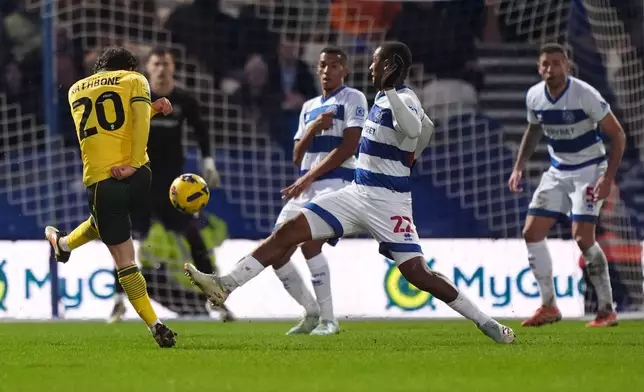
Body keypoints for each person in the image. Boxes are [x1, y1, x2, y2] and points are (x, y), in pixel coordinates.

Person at [184, 41, 516, 344]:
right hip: (355, 193)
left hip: (389, 203)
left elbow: (417, 128)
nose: (370, 69)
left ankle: (487, 323)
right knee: (289, 231)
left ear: (390, 65)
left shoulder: (404, 97)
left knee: (419, 275)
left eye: (375, 63)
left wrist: (408, 140)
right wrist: (413, 153)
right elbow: (426, 130)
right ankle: (225, 284)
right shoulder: (384, 98)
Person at [45, 46, 177, 347]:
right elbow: (136, 122)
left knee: (123, 258)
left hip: (102, 182)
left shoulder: (76, 90)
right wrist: (133, 163)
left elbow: (107, 125)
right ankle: (63, 244)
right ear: (129, 67)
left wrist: (150, 108)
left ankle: (155, 324)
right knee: (108, 232)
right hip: (139, 176)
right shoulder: (135, 80)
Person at [107, 46, 232, 323]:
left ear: (173, 67)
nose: (161, 68)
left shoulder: (184, 99)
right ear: (148, 68)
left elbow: (201, 130)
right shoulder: (137, 98)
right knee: (125, 242)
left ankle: (217, 300)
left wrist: (208, 161)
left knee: (195, 240)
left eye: (166, 63)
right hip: (140, 182)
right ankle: (118, 302)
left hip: (172, 189)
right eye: (156, 64)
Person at [508, 43, 626, 328]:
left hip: (589, 169)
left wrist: (607, 178)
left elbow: (618, 134)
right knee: (531, 232)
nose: (551, 68)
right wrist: (519, 166)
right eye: (546, 64)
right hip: (558, 170)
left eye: (557, 63)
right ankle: (549, 306)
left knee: (583, 237)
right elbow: (533, 129)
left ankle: (607, 309)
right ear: (539, 68)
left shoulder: (584, 94)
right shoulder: (534, 96)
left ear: (568, 66)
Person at [268, 46, 366, 335]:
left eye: (335, 65)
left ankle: (329, 320)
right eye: (323, 65)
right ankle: (311, 313)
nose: (327, 70)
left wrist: (309, 177)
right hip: (305, 188)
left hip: (337, 183)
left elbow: (350, 146)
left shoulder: (353, 98)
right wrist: (313, 128)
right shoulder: (308, 106)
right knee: (276, 251)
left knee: (310, 244)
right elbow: (297, 156)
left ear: (344, 70)